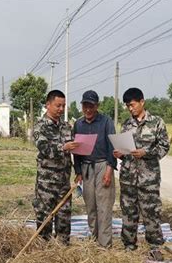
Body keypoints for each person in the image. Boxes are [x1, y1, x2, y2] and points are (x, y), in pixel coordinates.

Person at [113, 88, 170, 261]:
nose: (130, 109)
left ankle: (155, 246)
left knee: (151, 212)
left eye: (132, 105)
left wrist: (146, 152)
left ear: (142, 102)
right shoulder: (126, 124)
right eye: (127, 106)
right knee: (128, 212)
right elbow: (124, 147)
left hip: (149, 178)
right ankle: (129, 245)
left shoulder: (157, 123)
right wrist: (120, 153)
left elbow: (164, 147)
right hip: (128, 176)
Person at [33, 90, 79, 244]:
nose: (61, 109)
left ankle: (62, 248)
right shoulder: (40, 127)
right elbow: (44, 148)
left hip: (63, 182)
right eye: (58, 105)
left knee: (64, 217)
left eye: (63, 106)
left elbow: (74, 150)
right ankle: (43, 249)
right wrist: (63, 147)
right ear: (48, 105)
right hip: (47, 182)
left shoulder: (66, 127)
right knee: (44, 217)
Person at [73, 90, 117, 248]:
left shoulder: (106, 122)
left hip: (102, 166)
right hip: (86, 168)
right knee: (90, 205)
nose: (88, 109)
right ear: (82, 106)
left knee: (104, 207)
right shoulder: (78, 124)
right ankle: (93, 238)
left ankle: (105, 244)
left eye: (91, 106)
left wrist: (109, 170)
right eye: (85, 106)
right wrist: (78, 171)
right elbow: (76, 151)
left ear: (97, 106)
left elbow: (113, 146)